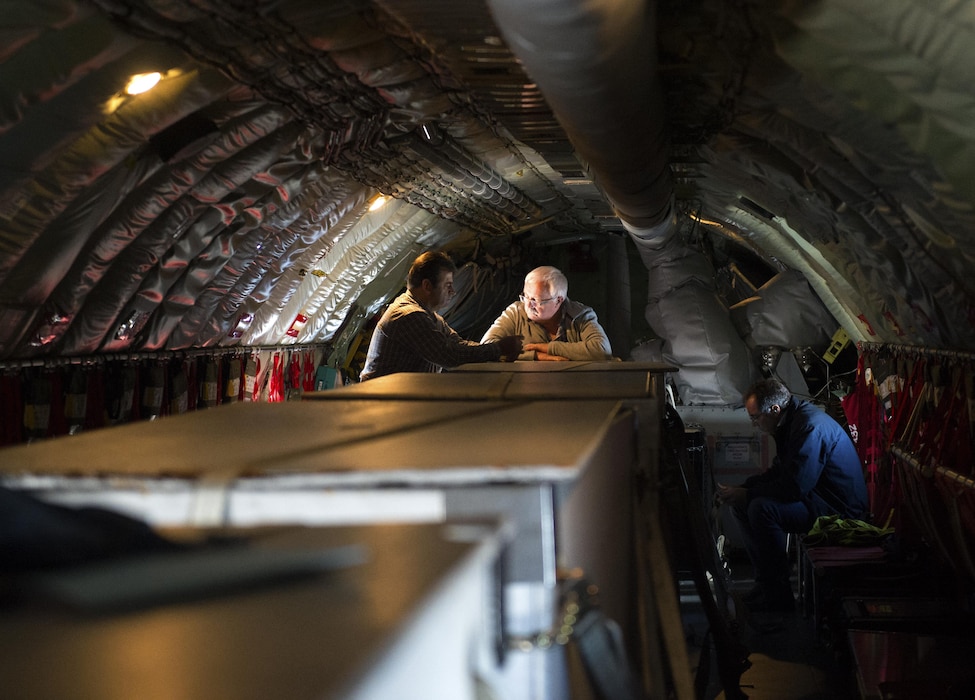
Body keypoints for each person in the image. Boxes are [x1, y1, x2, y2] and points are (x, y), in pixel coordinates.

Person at [716, 378, 869, 612]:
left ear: (775, 410)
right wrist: (744, 489)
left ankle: (779, 597)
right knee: (743, 504)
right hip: (817, 499)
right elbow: (781, 472)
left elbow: (795, 487)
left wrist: (748, 494)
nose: (755, 424)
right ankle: (765, 584)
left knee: (760, 509)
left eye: (756, 417)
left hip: (837, 510)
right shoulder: (791, 422)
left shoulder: (809, 426)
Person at [359, 251, 522, 381]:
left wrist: (496, 349)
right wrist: (498, 348)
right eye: (448, 285)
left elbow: (457, 344)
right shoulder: (408, 315)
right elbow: (448, 355)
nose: (453, 292)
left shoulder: (430, 316)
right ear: (427, 286)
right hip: (382, 403)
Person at [480, 266, 612, 361]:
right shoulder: (515, 313)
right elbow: (487, 347)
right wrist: (537, 356)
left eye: (535, 300)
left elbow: (601, 351)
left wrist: (547, 348)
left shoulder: (580, 315)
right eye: (525, 296)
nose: (528, 304)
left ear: (558, 300)